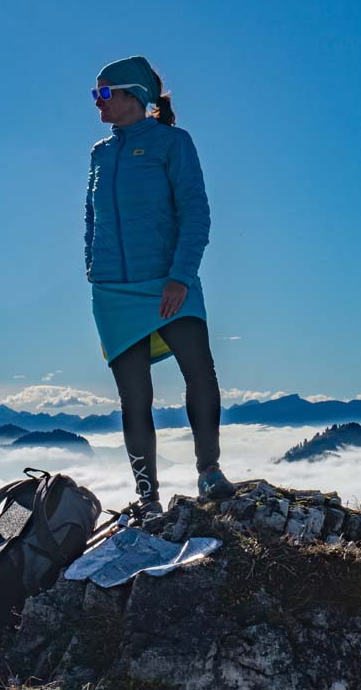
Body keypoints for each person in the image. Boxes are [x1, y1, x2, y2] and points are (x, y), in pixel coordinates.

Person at [84, 55, 236, 517]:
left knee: (199, 372)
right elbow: (91, 218)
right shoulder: (100, 152)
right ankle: (146, 496)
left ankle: (208, 471)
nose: (97, 103)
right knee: (134, 396)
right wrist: (93, 264)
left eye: (104, 93)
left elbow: (196, 213)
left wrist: (180, 277)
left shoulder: (173, 143)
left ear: (135, 96)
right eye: (95, 95)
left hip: (171, 280)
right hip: (113, 291)